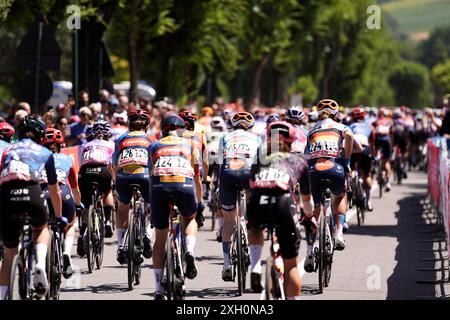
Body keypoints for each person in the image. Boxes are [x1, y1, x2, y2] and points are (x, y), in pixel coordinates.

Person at [0, 115, 64, 299]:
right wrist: (58, 217)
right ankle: (40, 266)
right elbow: (54, 190)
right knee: (42, 229)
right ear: (41, 135)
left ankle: (3, 295)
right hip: (32, 193)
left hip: (7, 195)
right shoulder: (45, 153)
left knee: (9, 252)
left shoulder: (8, 150)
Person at [247, 121, 313, 299]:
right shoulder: (299, 161)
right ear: (292, 141)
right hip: (283, 204)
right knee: (291, 264)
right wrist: (309, 217)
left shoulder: (258, 159)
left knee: (254, 227)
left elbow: (251, 188)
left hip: (257, 202)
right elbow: (306, 200)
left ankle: (254, 267)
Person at [149, 115, 201, 300]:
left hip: (159, 187)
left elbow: (150, 174)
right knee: (190, 218)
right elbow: (197, 175)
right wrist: (199, 201)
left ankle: (157, 288)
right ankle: (189, 251)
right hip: (184, 185)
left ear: (163, 130)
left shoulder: (154, 145)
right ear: (182, 130)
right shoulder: (191, 144)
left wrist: (151, 203)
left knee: (160, 236)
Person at [304, 99, 353, 257]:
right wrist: (346, 159)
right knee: (340, 196)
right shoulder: (340, 126)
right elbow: (350, 137)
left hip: (315, 170)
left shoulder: (311, 131)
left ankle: (310, 252)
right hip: (335, 168)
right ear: (336, 114)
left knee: (316, 206)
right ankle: (339, 233)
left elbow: (306, 155)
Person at [218, 112, 262, 281]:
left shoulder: (225, 137)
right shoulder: (256, 139)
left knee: (229, 220)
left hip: (228, 175)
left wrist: (219, 186)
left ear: (232, 126)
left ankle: (227, 263)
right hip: (247, 174)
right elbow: (261, 164)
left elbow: (220, 163)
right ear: (250, 127)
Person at [112, 109, 156, 264]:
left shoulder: (120, 138)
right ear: (147, 125)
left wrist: (115, 181)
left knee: (123, 207)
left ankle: (121, 246)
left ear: (129, 124)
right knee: (153, 205)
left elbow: (114, 164)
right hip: (144, 176)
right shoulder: (151, 138)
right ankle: (148, 234)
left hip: (124, 177)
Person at [40, 128, 82, 278]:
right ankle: (66, 253)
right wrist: (79, 203)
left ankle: (38, 259)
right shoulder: (67, 159)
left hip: (41, 193)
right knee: (70, 224)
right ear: (60, 145)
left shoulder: (38, 157)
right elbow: (75, 187)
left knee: (40, 228)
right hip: (63, 194)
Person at [77, 120, 115, 257]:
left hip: (85, 172)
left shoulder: (85, 145)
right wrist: (113, 180)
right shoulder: (111, 145)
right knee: (108, 191)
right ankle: (108, 221)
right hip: (102, 170)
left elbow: (80, 163)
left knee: (86, 205)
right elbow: (111, 166)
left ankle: (82, 234)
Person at [179, 110, 208, 229]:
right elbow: (205, 160)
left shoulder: (173, 135)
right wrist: (206, 177)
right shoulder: (200, 136)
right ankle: (199, 206)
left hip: (176, 167)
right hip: (194, 164)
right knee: (197, 179)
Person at [349, 107, 375, 211]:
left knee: (350, 171)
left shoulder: (349, 125)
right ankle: (369, 201)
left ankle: (352, 189)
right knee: (367, 175)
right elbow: (372, 144)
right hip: (365, 149)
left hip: (353, 149)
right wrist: (373, 156)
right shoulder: (369, 126)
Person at [373, 107, 393, 191]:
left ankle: (376, 162)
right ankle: (388, 182)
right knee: (387, 161)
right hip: (387, 141)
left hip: (378, 140)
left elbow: (372, 132)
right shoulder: (390, 121)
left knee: (375, 153)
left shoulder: (376, 121)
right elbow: (392, 132)